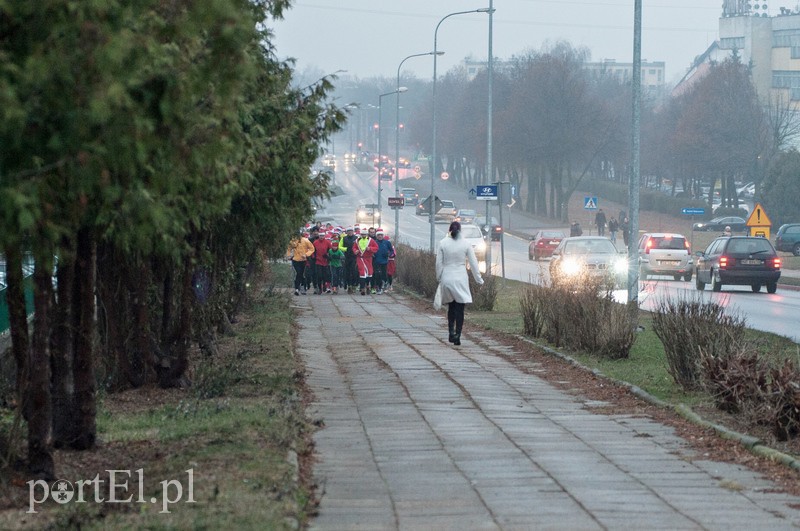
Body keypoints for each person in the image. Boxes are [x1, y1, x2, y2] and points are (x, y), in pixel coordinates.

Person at [436, 221, 484, 346]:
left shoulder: (442, 243)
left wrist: (439, 277)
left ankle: (451, 331)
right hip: (461, 277)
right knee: (460, 308)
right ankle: (458, 334)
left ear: (449, 230)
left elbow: (439, 263)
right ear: (460, 230)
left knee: (451, 307)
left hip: (447, 276)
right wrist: (479, 279)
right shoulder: (466, 244)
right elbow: (473, 263)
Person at [353, 229, 378, 295]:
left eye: (364, 234)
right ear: (361, 235)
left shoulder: (371, 240)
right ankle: (362, 288)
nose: (363, 235)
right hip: (360, 258)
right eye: (362, 234)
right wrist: (355, 251)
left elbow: (376, 248)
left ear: (367, 234)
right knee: (362, 273)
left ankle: (367, 285)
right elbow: (354, 247)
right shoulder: (357, 241)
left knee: (370, 273)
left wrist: (370, 249)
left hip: (368, 259)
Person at [372, 228, 394, 294]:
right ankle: (379, 287)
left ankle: (385, 283)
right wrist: (372, 254)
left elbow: (392, 250)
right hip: (376, 261)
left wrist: (389, 254)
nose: (380, 236)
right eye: (378, 235)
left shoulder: (387, 242)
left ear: (383, 235)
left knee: (384, 275)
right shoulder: (374, 242)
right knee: (378, 274)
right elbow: (370, 250)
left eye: (381, 235)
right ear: (376, 236)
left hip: (384, 261)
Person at [340, 227, 359, 293]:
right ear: (346, 232)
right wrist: (345, 249)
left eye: (351, 231)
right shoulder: (344, 238)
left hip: (354, 257)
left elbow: (359, 246)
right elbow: (340, 246)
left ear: (353, 232)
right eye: (348, 231)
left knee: (354, 272)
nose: (350, 232)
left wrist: (357, 250)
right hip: (347, 257)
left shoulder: (356, 238)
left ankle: (354, 285)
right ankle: (349, 286)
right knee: (347, 272)